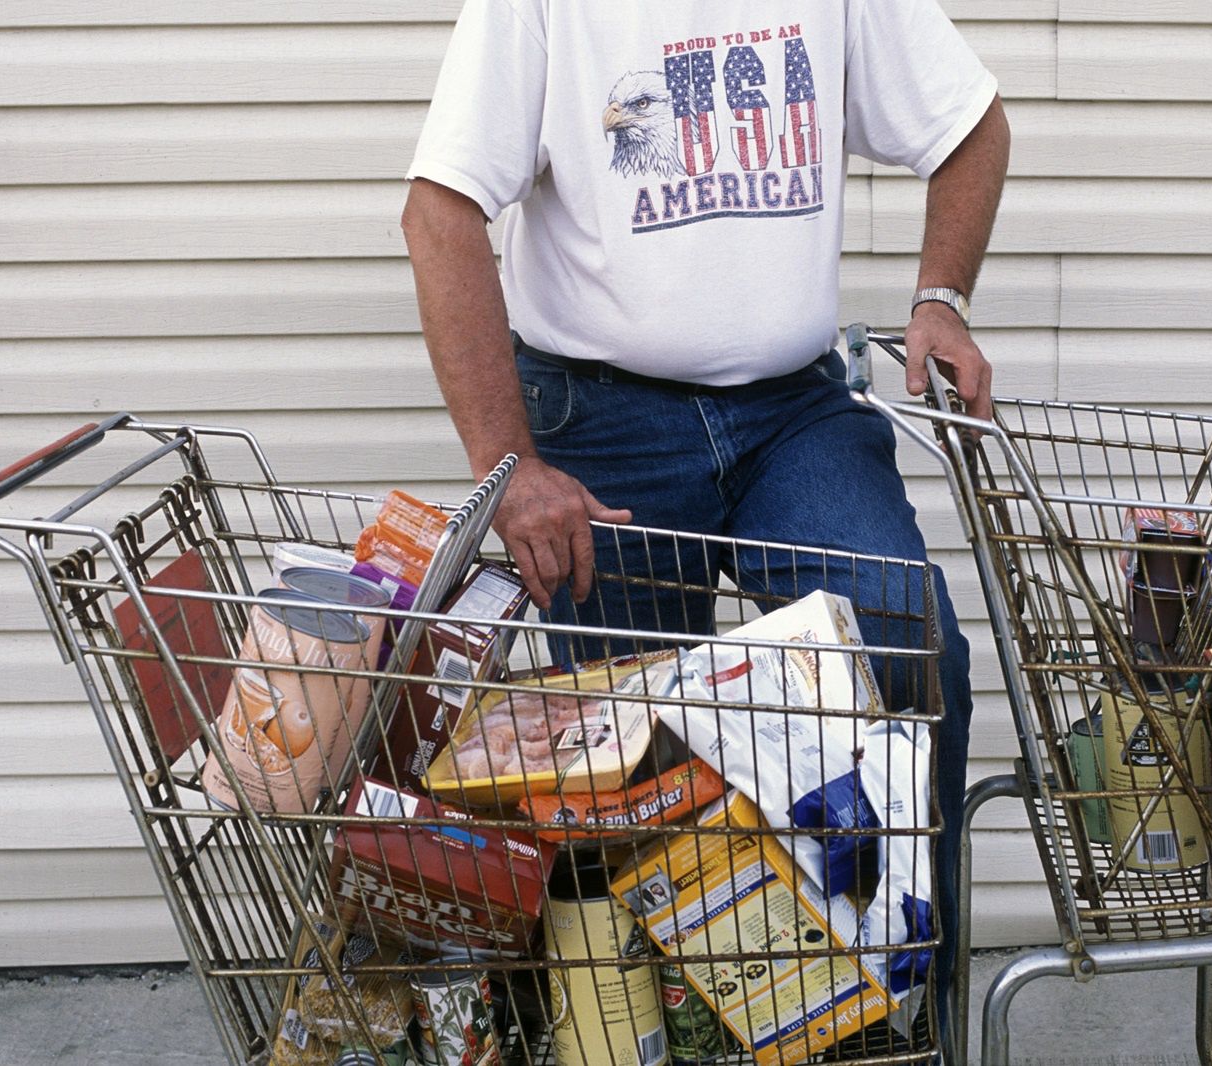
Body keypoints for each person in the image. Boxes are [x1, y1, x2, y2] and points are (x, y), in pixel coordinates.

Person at [401, 0, 1009, 1034]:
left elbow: (968, 124)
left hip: (794, 414)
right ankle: (672, 1030)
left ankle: (907, 1011)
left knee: (906, 640)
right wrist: (509, 468)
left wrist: (940, 295)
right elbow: (439, 212)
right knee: (637, 756)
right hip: (602, 421)